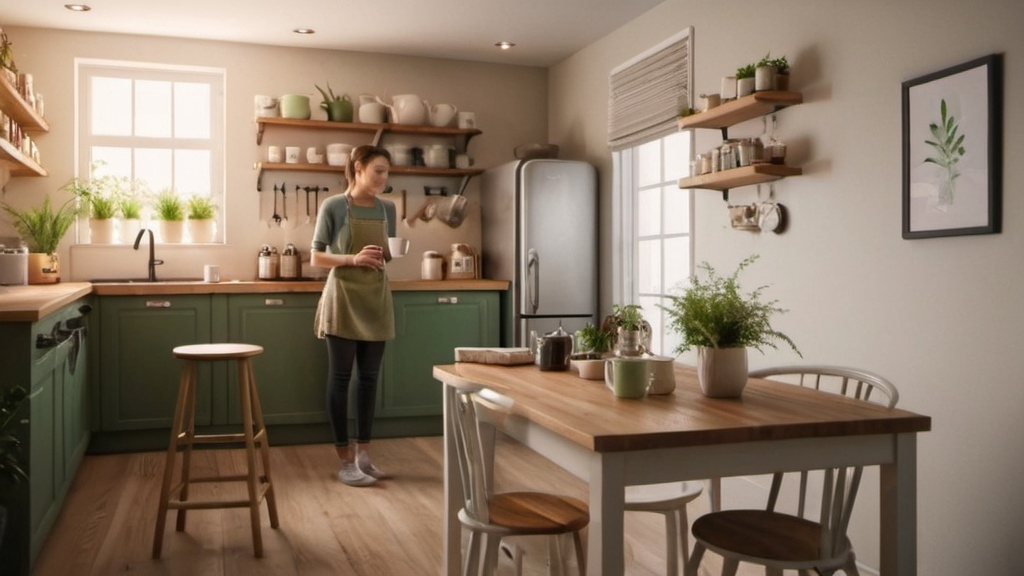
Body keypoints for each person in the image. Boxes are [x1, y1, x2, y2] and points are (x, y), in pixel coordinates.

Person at [311, 144, 397, 487]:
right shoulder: (333, 205)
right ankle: (344, 460)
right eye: (378, 170)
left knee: (369, 380)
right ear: (358, 167)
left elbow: (386, 254)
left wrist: (389, 253)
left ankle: (364, 454)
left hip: (376, 298)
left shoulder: (388, 208)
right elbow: (317, 257)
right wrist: (352, 259)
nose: (384, 178)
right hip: (343, 297)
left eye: (387, 172)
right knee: (341, 379)